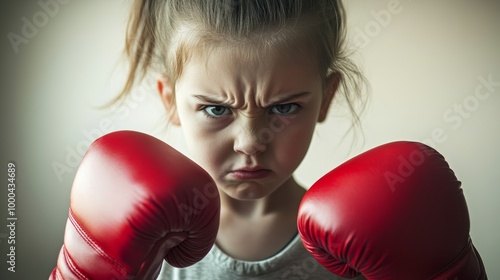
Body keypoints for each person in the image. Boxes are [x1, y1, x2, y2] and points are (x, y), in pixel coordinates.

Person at [114, 0, 366, 279]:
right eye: (216, 109)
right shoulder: (148, 245)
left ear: (326, 98)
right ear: (170, 101)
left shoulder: (356, 245)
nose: (249, 143)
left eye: (284, 108)